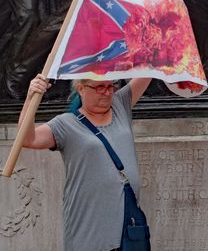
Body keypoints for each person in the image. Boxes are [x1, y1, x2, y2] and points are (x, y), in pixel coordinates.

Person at [19, 74, 152, 251]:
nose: (106, 93)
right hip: (88, 228)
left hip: (128, 226)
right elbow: (28, 139)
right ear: (81, 89)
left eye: (110, 86)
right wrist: (31, 97)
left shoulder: (120, 104)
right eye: (99, 87)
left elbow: (149, 71)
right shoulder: (66, 124)